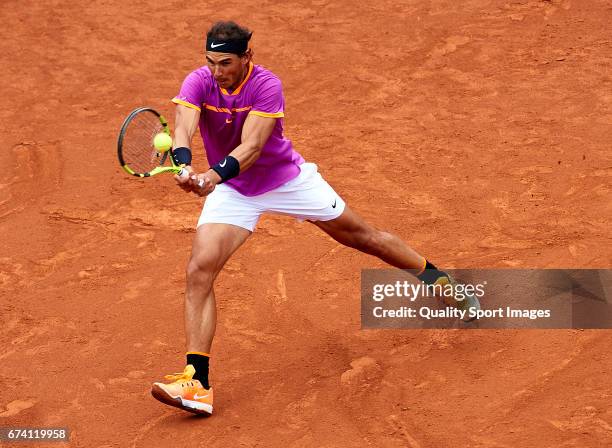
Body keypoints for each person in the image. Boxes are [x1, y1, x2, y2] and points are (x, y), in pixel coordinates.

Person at [150, 20, 480, 415]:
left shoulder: (266, 85)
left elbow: (252, 147)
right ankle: (197, 383)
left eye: (225, 63)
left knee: (364, 237)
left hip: (285, 181)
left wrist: (211, 176)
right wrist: (185, 166)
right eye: (211, 62)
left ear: (246, 58)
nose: (216, 71)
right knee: (199, 269)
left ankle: (440, 281)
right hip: (235, 192)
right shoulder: (199, 81)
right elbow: (184, 126)